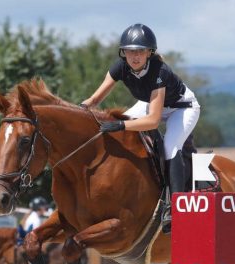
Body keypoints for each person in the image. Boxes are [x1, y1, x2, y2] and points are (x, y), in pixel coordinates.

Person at [81, 23, 201, 234]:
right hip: (152, 103)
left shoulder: (159, 71)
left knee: (170, 146)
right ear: (123, 52)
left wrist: (121, 125)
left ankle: (174, 208)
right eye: (130, 51)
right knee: (121, 123)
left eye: (140, 51)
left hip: (181, 108)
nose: (134, 56)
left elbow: (153, 120)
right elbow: (96, 98)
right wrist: (78, 111)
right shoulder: (120, 67)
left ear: (149, 53)